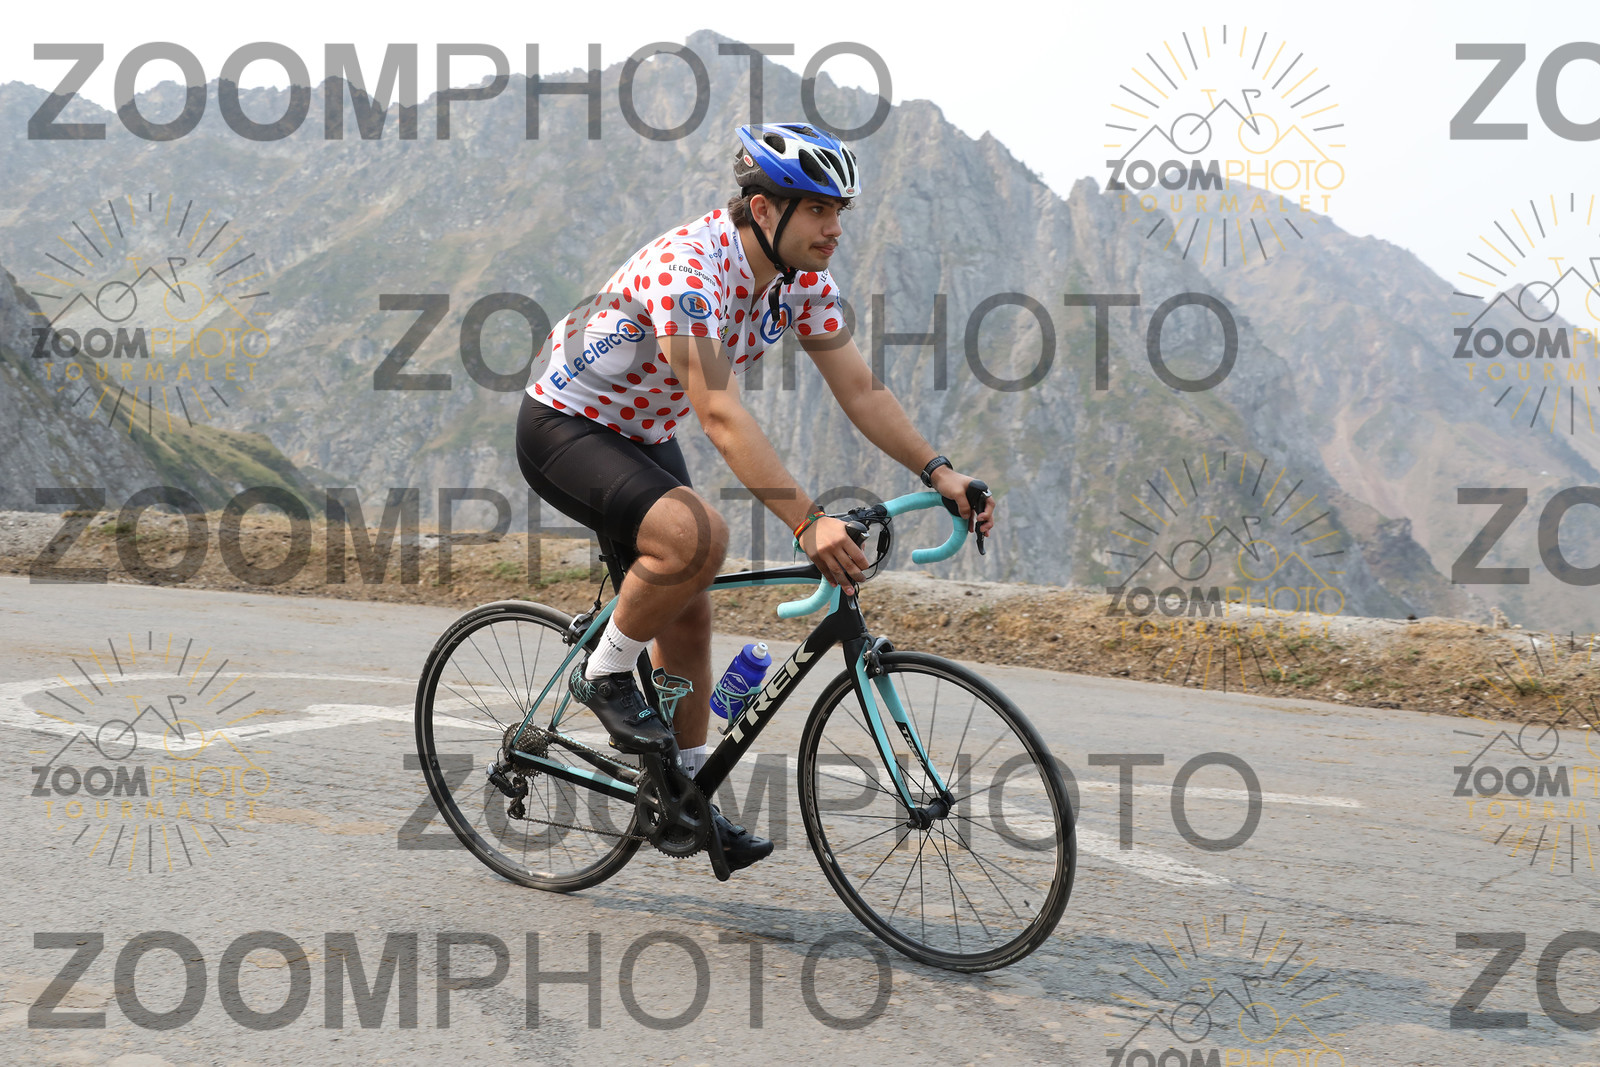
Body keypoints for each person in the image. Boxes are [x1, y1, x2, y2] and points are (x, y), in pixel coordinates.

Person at [516, 122, 996, 872]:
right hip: (565, 425)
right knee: (698, 537)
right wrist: (807, 522)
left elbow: (861, 390)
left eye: (840, 211)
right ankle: (602, 672)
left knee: (690, 602)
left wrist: (940, 471)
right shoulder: (688, 272)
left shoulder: (800, 280)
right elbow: (718, 413)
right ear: (765, 209)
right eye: (819, 210)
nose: (835, 228)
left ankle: (685, 798)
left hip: (640, 432)